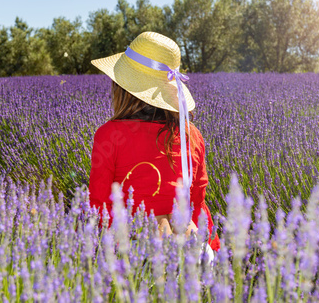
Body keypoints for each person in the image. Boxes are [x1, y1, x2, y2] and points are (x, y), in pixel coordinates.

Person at [88, 31, 220, 256]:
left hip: (134, 253)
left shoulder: (109, 135)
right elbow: (198, 203)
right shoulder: (192, 135)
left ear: (122, 88)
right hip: (189, 252)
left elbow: (99, 206)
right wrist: (213, 250)